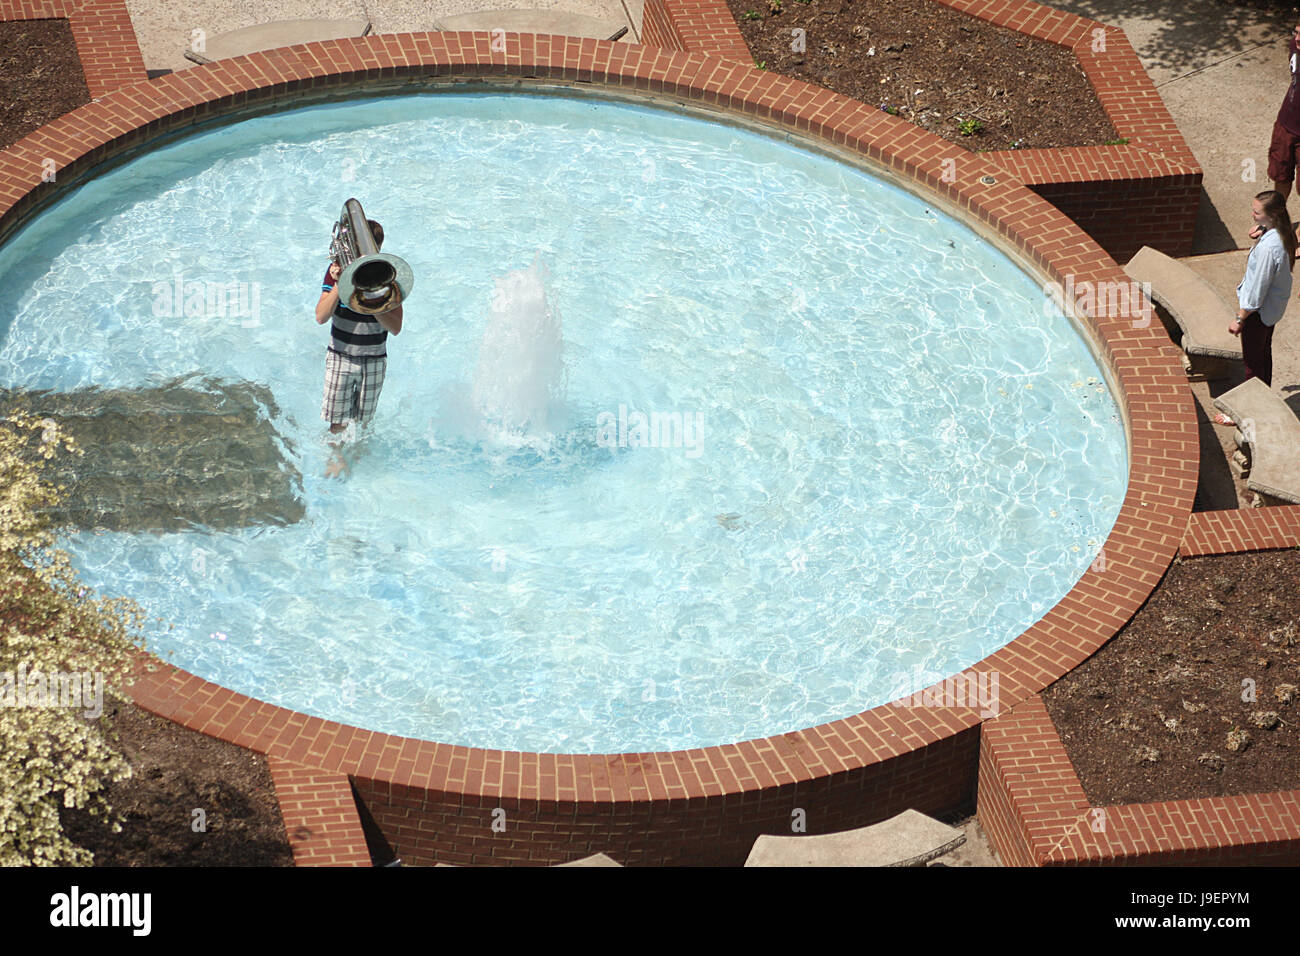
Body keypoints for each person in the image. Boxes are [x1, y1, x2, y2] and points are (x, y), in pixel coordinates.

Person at [315, 217, 403, 475]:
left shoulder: (388, 277)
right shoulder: (336, 272)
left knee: (364, 420)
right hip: (340, 356)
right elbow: (321, 316)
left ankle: (359, 454)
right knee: (337, 420)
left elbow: (395, 327)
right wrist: (340, 285)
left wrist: (370, 294)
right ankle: (335, 457)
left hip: (374, 358)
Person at [1215, 190, 1295, 426]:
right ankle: (1265, 400)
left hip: (1258, 314)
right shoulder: (1281, 233)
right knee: (1263, 354)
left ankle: (1248, 414)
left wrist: (1240, 319)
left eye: (1256, 212)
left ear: (1272, 214)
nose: (1252, 215)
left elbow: (1257, 291)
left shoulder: (1268, 250)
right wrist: (1262, 231)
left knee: (1251, 364)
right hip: (1272, 309)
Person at [1267, 20, 1300, 201]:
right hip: (1286, 124)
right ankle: (1276, 220)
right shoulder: (1295, 46)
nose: (1297, 39)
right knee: (1280, 174)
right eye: (1296, 32)